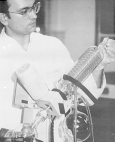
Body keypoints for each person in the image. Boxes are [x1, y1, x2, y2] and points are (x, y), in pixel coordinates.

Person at [0, 0, 115, 142]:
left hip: (58, 137)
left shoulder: (53, 45)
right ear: (4, 18)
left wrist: (99, 64)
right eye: (24, 12)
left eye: (34, 8)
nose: (34, 16)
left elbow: (81, 95)